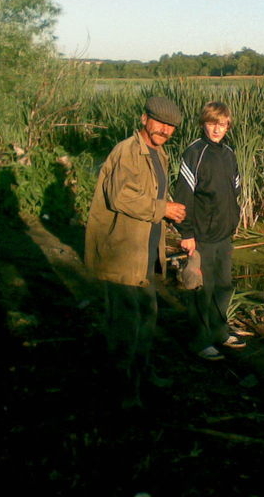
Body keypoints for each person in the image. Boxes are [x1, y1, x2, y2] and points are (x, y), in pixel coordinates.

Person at [84, 94, 186, 407]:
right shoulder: (127, 152)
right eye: (159, 122)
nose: (165, 130)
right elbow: (121, 198)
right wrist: (164, 209)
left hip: (145, 253)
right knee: (124, 326)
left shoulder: (160, 154)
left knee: (147, 317)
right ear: (144, 119)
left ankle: (143, 373)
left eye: (170, 126)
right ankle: (124, 391)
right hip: (122, 253)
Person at [173, 101, 243, 361]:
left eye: (222, 124)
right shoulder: (195, 152)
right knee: (202, 288)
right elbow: (183, 195)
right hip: (201, 235)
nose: (217, 129)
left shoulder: (229, 153)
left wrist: (232, 219)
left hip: (224, 234)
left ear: (228, 126)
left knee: (223, 286)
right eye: (212, 123)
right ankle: (201, 341)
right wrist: (186, 233)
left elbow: (236, 188)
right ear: (204, 124)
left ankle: (220, 332)